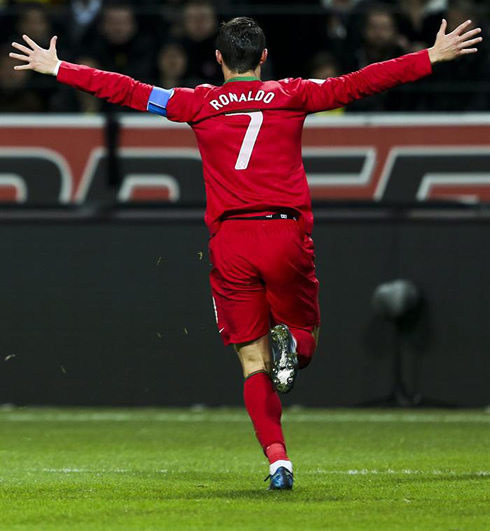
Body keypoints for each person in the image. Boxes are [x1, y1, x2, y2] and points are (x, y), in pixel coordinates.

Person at [9, 16, 482, 490]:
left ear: (218, 60)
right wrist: (429, 57)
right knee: (304, 336)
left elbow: (130, 90)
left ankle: (278, 461)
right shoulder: (293, 94)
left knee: (252, 363)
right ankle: (293, 348)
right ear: (262, 58)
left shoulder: (194, 102)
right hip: (284, 233)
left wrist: (59, 67)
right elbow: (359, 83)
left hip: (231, 243)